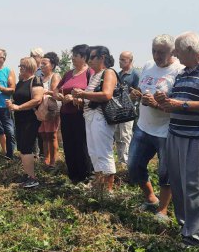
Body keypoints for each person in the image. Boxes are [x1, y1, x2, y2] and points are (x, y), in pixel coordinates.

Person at [155, 32, 199, 247]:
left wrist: (181, 105)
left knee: (195, 186)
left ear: (189, 50)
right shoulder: (183, 73)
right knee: (178, 184)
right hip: (176, 134)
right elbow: (177, 101)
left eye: (177, 50)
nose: (174, 53)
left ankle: (195, 237)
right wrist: (165, 101)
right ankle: (185, 226)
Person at [129, 35, 183, 222]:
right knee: (134, 166)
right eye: (154, 51)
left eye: (161, 52)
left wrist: (156, 104)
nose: (156, 55)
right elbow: (142, 88)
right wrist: (137, 95)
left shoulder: (179, 71)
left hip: (165, 130)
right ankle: (151, 198)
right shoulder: (147, 65)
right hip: (144, 126)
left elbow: (179, 105)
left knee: (165, 172)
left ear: (173, 52)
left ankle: (163, 209)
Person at [72, 46, 118, 193]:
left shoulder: (108, 72)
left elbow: (106, 95)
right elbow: (92, 96)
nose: (88, 60)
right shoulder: (94, 75)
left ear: (102, 58)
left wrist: (83, 94)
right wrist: (81, 99)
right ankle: (99, 185)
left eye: (92, 57)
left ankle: (108, 190)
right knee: (94, 152)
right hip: (90, 116)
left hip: (101, 118)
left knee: (104, 152)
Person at [53, 44, 93, 184]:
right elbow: (56, 90)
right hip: (66, 113)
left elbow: (93, 94)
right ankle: (73, 175)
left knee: (81, 144)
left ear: (84, 57)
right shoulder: (68, 74)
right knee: (68, 144)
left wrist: (77, 99)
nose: (73, 58)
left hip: (81, 114)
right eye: (73, 55)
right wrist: (60, 97)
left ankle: (86, 176)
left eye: (76, 55)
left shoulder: (90, 73)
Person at [6, 57, 44, 188]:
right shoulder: (21, 82)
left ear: (28, 67)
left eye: (22, 66)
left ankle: (33, 179)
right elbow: (19, 99)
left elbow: (37, 99)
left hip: (30, 119)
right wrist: (12, 104)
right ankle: (27, 175)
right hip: (20, 118)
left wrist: (19, 107)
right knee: (22, 147)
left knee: (27, 147)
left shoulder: (36, 80)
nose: (20, 68)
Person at [114, 51, 140, 169]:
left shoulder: (135, 74)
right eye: (120, 59)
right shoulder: (119, 74)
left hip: (129, 110)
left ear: (130, 61)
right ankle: (121, 162)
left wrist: (131, 97)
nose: (120, 62)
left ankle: (126, 164)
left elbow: (139, 92)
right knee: (118, 135)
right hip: (118, 109)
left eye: (123, 60)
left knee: (125, 135)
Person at [38, 52, 62, 167]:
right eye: (41, 63)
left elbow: (55, 93)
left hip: (52, 109)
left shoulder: (55, 76)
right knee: (44, 135)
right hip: (43, 110)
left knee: (52, 135)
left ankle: (53, 162)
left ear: (52, 65)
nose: (41, 66)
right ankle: (45, 160)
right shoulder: (41, 78)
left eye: (44, 63)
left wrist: (44, 92)